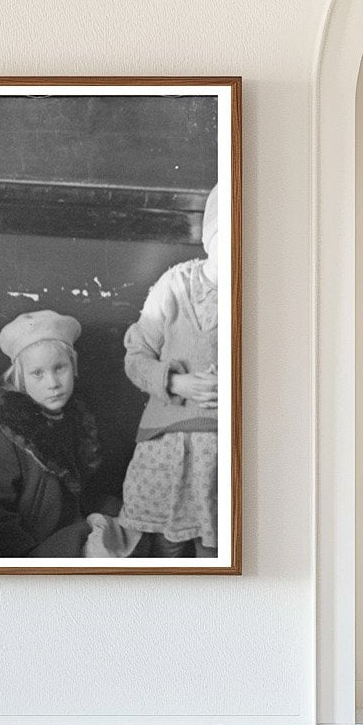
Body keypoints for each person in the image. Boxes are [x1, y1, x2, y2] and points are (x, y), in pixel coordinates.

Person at [0, 310, 134, 557]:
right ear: (20, 379)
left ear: (72, 367)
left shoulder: (74, 420)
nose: (53, 383)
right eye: (38, 374)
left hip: (73, 531)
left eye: (60, 368)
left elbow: (83, 493)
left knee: (139, 528)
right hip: (32, 548)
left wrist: (119, 510)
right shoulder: (0, 434)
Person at [117, 184, 220, 557]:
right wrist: (178, 382)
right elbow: (136, 359)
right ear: (210, 237)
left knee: (220, 559)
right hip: (167, 447)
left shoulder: (263, 292)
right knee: (167, 552)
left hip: (225, 454)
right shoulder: (175, 285)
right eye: (226, 234)